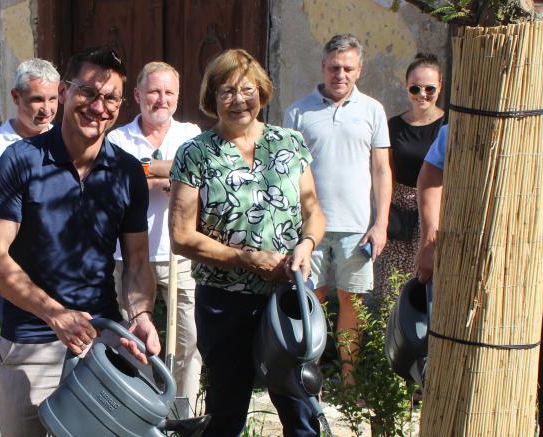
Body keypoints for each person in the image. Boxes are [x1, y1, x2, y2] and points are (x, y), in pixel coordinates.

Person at [0, 46, 159, 437]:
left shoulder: (126, 172)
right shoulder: (21, 160)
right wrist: (55, 313)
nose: (99, 106)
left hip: (101, 343)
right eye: (88, 92)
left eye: (110, 97)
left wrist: (140, 315)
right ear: (64, 92)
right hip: (31, 340)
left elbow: (138, 261)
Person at [415, 18, 543, 436]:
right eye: (534, 66)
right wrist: (431, 237)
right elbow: (434, 170)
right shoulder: (499, 101)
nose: (541, 79)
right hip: (496, 284)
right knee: (487, 390)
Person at [170, 48, 325, 436]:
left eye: (247, 90)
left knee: (299, 405)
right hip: (225, 300)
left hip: (287, 296)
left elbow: (314, 213)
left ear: (262, 92)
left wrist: (306, 245)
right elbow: (181, 236)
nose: (238, 99)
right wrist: (246, 258)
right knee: (227, 410)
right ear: (212, 97)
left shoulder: (289, 143)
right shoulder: (195, 153)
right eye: (226, 91)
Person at [283, 34, 392, 383]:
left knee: (352, 301)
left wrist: (381, 223)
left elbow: (381, 170)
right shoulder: (298, 112)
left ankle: (349, 380)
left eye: (347, 68)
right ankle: (306, 376)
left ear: (359, 70)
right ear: (322, 67)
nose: (340, 75)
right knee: (309, 299)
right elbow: (287, 171)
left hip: (357, 226)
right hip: (309, 227)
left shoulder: (373, 111)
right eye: (334, 67)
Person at [105, 61, 203, 401]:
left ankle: (181, 411)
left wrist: (150, 174)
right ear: (137, 95)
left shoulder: (191, 136)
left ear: (177, 97)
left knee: (188, 342)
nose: (161, 99)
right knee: (132, 340)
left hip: (181, 255)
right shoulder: (117, 138)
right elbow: (119, 185)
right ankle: (139, 406)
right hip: (129, 259)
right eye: (153, 92)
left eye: (168, 92)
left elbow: (203, 183)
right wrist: (174, 178)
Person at [375, 53, 445, 296]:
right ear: (407, 88)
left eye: (429, 88)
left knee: (430, 282)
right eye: (415, 88)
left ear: (440, 87)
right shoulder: (393, 126)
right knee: (393, 285)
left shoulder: (449, 127)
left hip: (436, 210)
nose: (422, 94)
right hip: (401, 213)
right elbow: (386, 171)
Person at [0, 59, 60, 232]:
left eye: (52, 99)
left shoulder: (64, 142)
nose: (47, 109)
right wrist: (25, 214)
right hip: (5, 255)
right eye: (37, 99)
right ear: (16, 97)